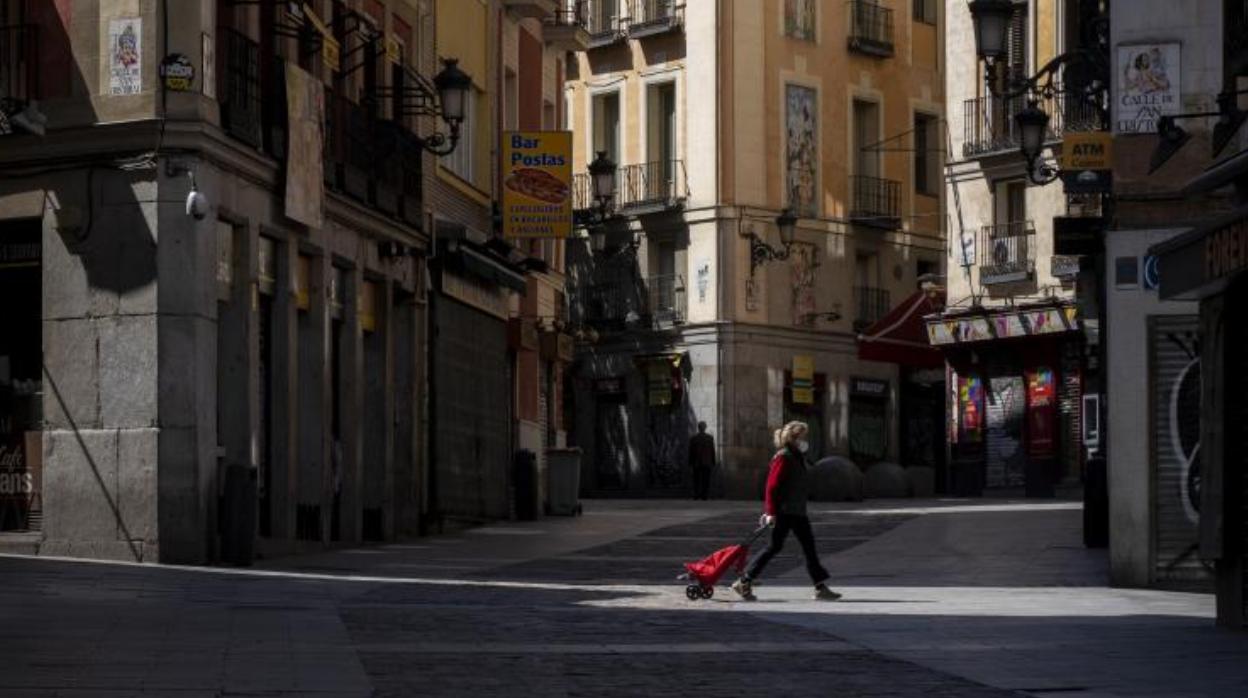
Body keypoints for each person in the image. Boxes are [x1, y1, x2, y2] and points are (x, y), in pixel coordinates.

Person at [732, 420, 841, 601]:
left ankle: (820, 587)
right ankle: (744, 581)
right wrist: (770, 512)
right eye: (803, 436)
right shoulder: (784, 456)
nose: (805, 440)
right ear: (794, 438)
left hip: (797, 510)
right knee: (774, 547)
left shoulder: (797, 456)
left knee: (809, 547)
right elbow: (772, 486)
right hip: (784, 512)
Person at [688, 421, 716, 500]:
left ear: (698, 428)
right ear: (705, 428)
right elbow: (712, 451)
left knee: (696, 480)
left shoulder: (693, 438)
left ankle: (696, 495)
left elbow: (691, 452)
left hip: (696, 462)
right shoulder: (709, 438)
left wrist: (690, 463)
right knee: (705, 480)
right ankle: (705, 496)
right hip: (707, 462)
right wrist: (713, 461)